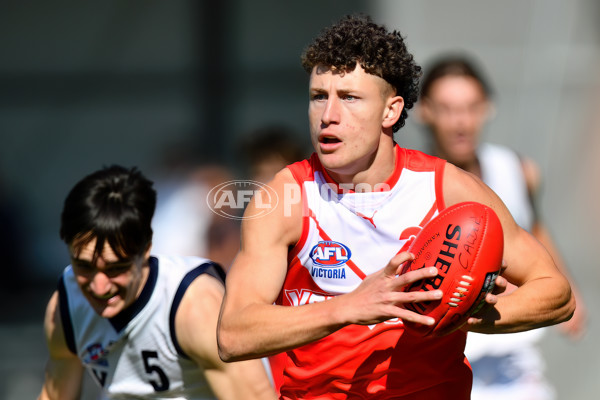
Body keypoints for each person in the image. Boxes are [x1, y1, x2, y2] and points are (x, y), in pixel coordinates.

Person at [217, 14, 575, 400]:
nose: (328, 115)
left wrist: (468, 315)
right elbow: (233, 334)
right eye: (319, 96)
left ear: (391, 111)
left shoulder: (448, 189)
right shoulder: (284, 198)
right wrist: (347, 307)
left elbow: (557, 293)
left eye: (350, 98)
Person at [416, 54, 587, 400]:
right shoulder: (414, 185)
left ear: (487, 108)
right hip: (448, 364)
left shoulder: (517, 170)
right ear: (424, 112)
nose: (460, 121)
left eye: (470, 107)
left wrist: (566, 284)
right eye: (447, 108)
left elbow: (531, 228)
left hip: (516, 365)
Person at [38, 165, 276, 400]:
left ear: (146, 249)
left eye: (116, 269)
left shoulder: (194, 306)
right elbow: (54, 395)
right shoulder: (67, 306)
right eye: (84, 267)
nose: (99, 287)